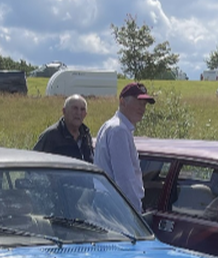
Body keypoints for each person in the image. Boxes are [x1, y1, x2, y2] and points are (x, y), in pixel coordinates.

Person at [93, 82, 155, 212]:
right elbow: (124, 180)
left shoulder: (111, 126)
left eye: (144, 104)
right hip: (117, 208)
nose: (142, 108)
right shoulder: (119, 130)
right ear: (122, 101)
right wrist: (134, 214)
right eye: (138, 102)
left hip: (108, 204)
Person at [33, 94, 94, 162]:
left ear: (85, 114)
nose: (78, 113)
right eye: (75, 108)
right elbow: (35, 160)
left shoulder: (86, 135)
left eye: (82, 109)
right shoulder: (51, 135)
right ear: (64, 111)